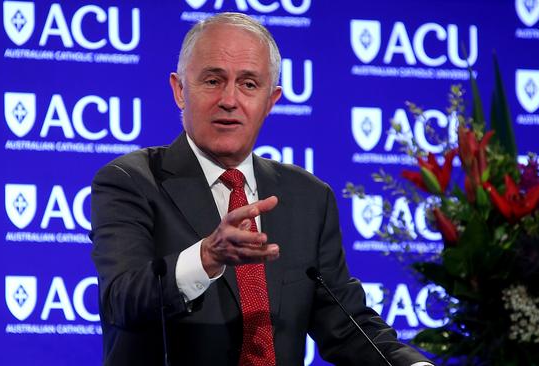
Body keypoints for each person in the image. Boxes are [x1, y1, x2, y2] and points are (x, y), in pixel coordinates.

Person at [90, 12, 433, 366]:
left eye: (249, 84)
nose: (229, 99)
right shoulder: (131, 181)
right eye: (212, 80)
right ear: (179, 90)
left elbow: (346, 325)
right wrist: (206, 257)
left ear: (272, 100)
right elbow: (121, 301)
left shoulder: (308, 196)